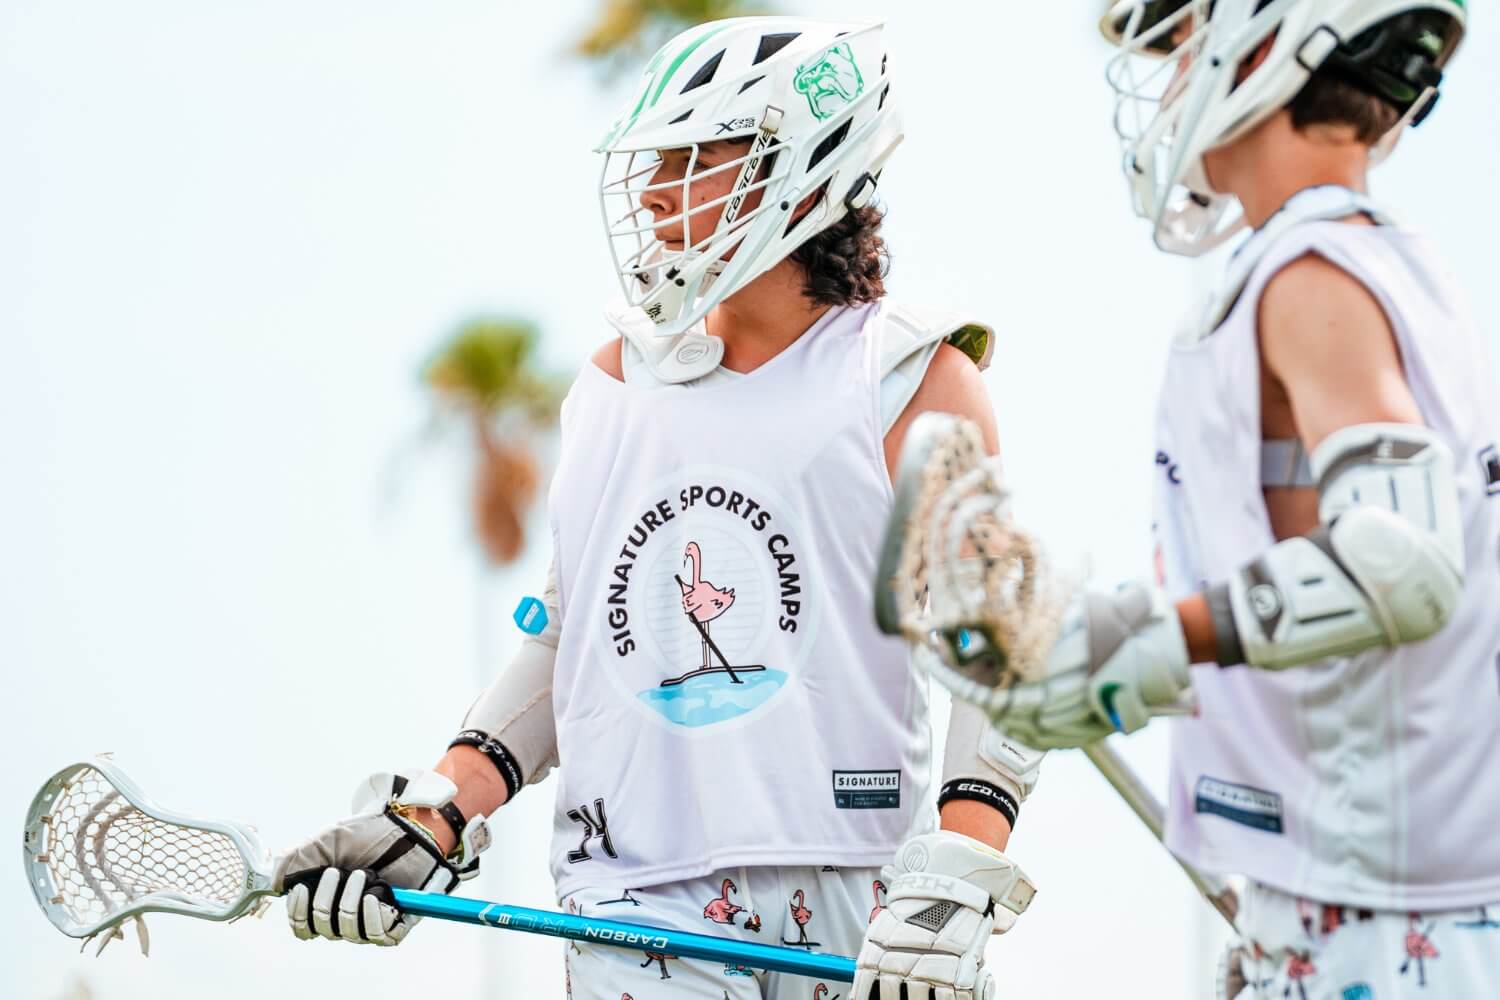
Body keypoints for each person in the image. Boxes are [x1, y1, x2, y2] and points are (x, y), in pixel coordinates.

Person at [271, 17, 1039, 1000]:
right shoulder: (610, 387)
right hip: (631, 896)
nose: (650, 192)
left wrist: (958, 881)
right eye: (653, 159)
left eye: (696, 157)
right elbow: (569, 642)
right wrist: (435, 811)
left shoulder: (910, 377)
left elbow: (996, 650)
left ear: (808, 173)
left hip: (864, 899)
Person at [925, 1, 1499, 996]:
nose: (1171, 73)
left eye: (1185, 38)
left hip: (1389, 920)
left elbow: (1399, 564)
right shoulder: (1393, 260)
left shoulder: (1310, 276)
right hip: (1366, 901)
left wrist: (1124, 642)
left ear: (1272, 43)